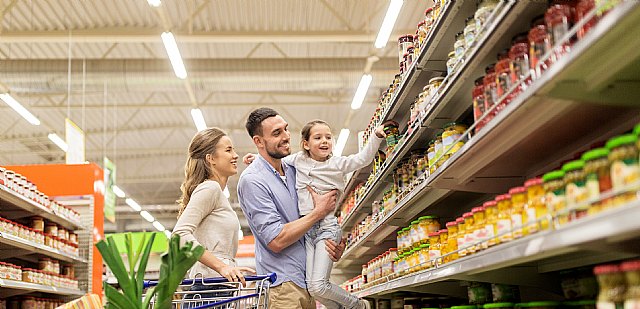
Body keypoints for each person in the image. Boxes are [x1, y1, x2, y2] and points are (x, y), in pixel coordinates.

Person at [243, 119, 386, 309]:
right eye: (317, 137)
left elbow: (362, 159)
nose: (324, 141)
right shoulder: (297, 161)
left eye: (328, 137)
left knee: (317, 286)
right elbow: (274, 160)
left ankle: (357, 305)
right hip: (306, 234)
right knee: (315, 287)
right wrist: (255, 158)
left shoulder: (337, 163)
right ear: (306, 144)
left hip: (326, 227)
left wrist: (375, 137)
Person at [173, 127, 255, 308]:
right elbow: (180, 234)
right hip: (210, 289)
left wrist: (228, 263)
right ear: (210, 159)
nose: (235, 155)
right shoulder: (210, 188)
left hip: (215, 287)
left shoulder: (216, 193)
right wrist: (222, 267)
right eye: (228, 150)